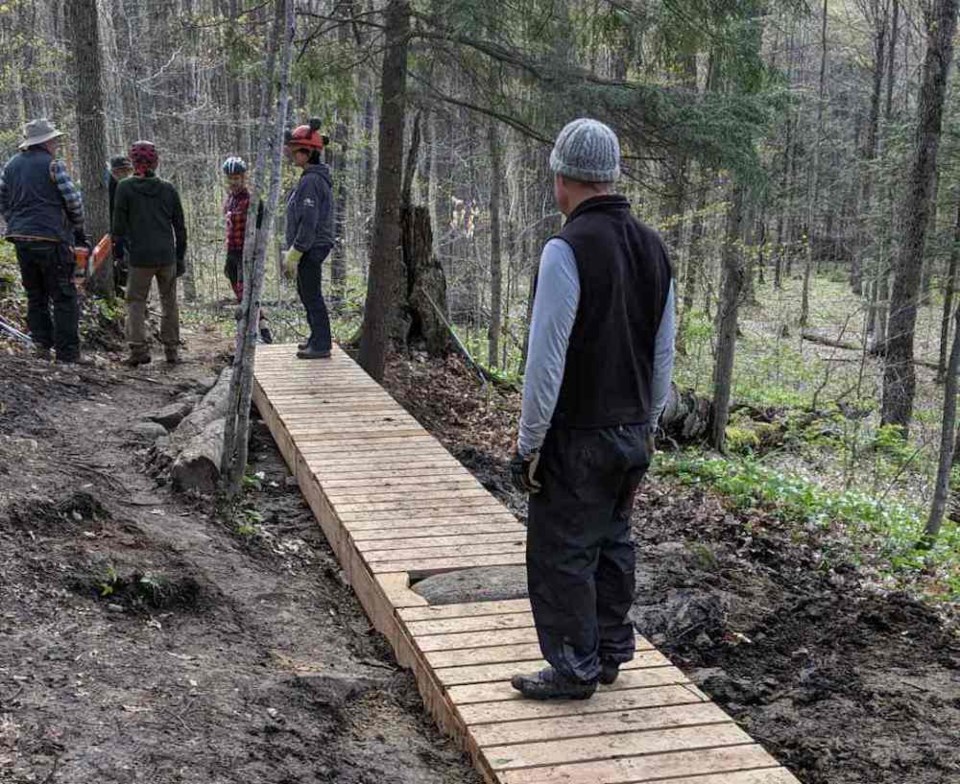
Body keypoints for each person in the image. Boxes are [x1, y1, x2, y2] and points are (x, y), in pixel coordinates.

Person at [509, 118, 676, 700]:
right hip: (632, 432)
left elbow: (545, 360)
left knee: (562, 551)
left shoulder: (567, 248)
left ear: (563, 179)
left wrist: (530, 443)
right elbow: (663, 352)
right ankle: (608, 652)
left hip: (577, 434)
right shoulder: (654, 247)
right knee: (612, 542)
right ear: (611, 176)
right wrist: (649, 424)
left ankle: (574, 666)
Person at [0, 118, 90, 363]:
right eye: (53, 140)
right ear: (46, 142)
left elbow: (3, 200)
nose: (55, 144)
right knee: (63, 295)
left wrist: (15, 221)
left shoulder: (10, 166)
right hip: (52, 238)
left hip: (20, 238)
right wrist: (77, 226)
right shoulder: (53, 166)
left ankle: (41, 346)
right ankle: (68, 355)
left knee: (35, 294)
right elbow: (73, 201)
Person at [112, 140, 187, 366]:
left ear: (133, 162)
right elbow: (180, 227)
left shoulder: (124, 187)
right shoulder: (168, 188)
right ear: (156, 161)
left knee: (136, 301)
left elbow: (118, 228)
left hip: (140, 256)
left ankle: (138, 350)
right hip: (166, 255)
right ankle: (172, 350)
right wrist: (180, 256)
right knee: (169, 301)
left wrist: (119, 255)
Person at [282, 118, 334, 360]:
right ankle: (316, 337)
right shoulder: (309, 178)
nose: (292, 155)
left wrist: (297, 250)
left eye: (296, 151)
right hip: (309, 247)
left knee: (312, 295)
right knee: (306, 293)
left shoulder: (312, 181)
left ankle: (322, 343)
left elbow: (309, 221)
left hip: (312, 247)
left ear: (309, 152)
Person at [222, 155, 272, 343]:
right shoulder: (230, 200)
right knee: (238, 291)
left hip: (247, 252)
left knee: (246, 293)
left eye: (237, 177)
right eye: (230, 178)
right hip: (232, 251)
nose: (233, 181)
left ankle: (258, 331)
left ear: (244, 177)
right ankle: (261, 326)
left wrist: (257, 253)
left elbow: (261, 229)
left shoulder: (252, 200)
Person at [108, 154, 133, 292]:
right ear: (114, 172)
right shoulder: (110, 186)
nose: (124, 174)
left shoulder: (129, 186)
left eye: (126, 171)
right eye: (121, 171)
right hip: (114, 231)